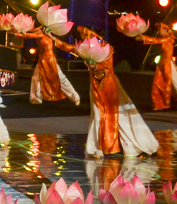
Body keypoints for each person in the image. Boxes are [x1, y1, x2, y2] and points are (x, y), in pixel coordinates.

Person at [56, 27, 159, 158]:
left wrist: (94, 66)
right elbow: (69, 48)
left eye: (84, 35)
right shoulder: (86, 49)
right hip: (96, 88)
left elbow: (106, 66)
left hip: (109, 87)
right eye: (81, 36)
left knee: (117, 116)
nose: (83, 37)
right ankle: (97, 148)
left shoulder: (106, 48)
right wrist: (53, 39)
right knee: (98, 116)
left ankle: (127, 145)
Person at [134, 22, 177, 111]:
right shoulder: (162, 39)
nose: (158, 31)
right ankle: (158, 104)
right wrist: (140, 38)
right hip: (162, 64)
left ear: (166, 30)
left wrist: (143, 37)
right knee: (157, 84)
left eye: (160, 29)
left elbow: (155, 40)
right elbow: (155, 40)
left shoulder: (169, 38)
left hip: (168, 64)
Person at [24, 25, 81, 105]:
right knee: (36, 77)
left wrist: (18, 33)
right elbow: (31, 34)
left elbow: (30, 35)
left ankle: (75, 97)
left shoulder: (44, 35)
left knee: (61, 79)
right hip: (42, 59)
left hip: (50, 60)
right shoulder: (40, 34)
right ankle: (35, 98)